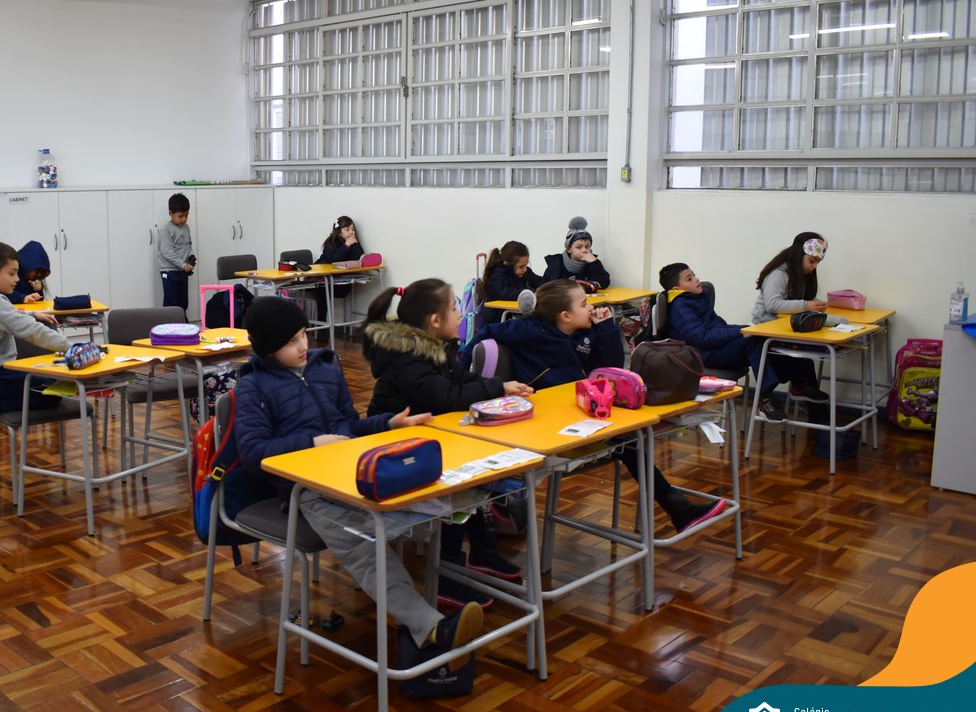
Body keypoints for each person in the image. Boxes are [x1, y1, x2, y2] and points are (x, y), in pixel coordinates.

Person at [233, 297, 483, 667]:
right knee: (364, 545)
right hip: (308, 490)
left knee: (433, 496)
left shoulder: (325, 368)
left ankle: (445, 570)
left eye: (303, 335)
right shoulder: (254, 387)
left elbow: (348, 426)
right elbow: (254, 454)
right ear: (268, 349)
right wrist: (312, 443)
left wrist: (388, 424)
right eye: (291, 342)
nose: (303, 346)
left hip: (354, 474)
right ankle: (431, 627)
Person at [464, 280, 728, 535]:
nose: (591, 307)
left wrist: (607, 330)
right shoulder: (528, 330)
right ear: (565, 316)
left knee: (631, 439)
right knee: (629, 443)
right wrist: (462, 369)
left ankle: (678, 508)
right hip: (547, 425)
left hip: (580, 414)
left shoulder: (586, 334)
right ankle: (677, 507)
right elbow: (485, 333)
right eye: (583, 304)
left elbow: (608, 369)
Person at [363, 278, 535, 608]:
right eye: (455, 308)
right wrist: (495, 389)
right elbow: (447, 397)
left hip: (428, 439)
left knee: (478, 474)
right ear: (434, 320)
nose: (460, 314)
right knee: (458, 486)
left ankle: (482, 551)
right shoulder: (408, 357)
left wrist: (500, 386)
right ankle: (448, 575)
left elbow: (461, 379)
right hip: (396, 449)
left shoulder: (434, 347)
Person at [660, 263, 825, 423]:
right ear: (676, 289)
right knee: (754, 342)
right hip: (702, 355)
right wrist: (741, 332)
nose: (696, 279)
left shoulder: (697, 298)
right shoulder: (680, 306)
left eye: (694, 275)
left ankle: (801, 384)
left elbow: (720, 327)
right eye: (689, 278)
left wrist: (750, 329)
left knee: (768, 340)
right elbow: (701, 337)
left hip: (714, 349)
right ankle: (767, 397)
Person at [0, 241, 71, 439]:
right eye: (12, 274)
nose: (17, 279)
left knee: (48, 384)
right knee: (52, 392)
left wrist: (33, 314)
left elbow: (8, 316)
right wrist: (70, 347)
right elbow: (30, 330)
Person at [753, 232, 846, 327]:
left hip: (785, 327)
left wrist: (818, 304)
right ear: (798, 255)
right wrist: (806, 306)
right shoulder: (778, 274)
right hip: (762, 328)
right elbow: (772, 305)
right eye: (812, 261)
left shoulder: (803, 274)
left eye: (818, 262)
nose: (815, 266)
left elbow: (805, 299)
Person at [314, 215, 365, 335]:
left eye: (353, 229)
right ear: (339, 231)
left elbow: (358, 257)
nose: (351, 232)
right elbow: (334, 260)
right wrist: (346, 245)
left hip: (341, 283)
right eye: (347, 229)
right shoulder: (330, 243)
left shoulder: (354, 242)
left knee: (326, 289)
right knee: (323, 290)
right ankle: (321, 329)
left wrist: (354, 244)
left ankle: (322, 329)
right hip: (321, 279)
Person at [478, 240, 542, 325]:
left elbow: (539, 281)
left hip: (514, 315)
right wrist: (528, 292)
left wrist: (544, 290)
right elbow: (502, 292)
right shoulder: (497, 274)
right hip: (497, 319)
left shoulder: (525, 272)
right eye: (521, 267)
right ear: (508, 264)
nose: (525, 269)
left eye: (526, 265)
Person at [542, 216, 611, 289]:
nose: (584, 250)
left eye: (587, 246)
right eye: (579, 247)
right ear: (569, 249)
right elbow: (545, 287)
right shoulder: (556, 263)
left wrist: (594, 262)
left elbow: (604, 284)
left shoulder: (593, 264)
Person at [157, 193, 194, 310]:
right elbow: (167, 252)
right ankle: (169, 321)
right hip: (169, 271)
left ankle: (182, 319)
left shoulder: (186, 227)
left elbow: (188, 245)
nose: (184, 219)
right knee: (171, 301)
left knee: (183, 300)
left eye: (186, 215)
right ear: (171, 213)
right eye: (180, 216)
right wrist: (183, 264)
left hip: (182, 271)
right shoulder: (166, 230)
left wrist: (191, 257)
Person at [10, 240, 51, 304]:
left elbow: (38, 302)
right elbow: (5, 293)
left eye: (41, 272)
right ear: (28, 264)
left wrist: (38, 290)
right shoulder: (11, 271)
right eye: (37, 270)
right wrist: (23, 298)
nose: (39, 275)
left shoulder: (33, 277)